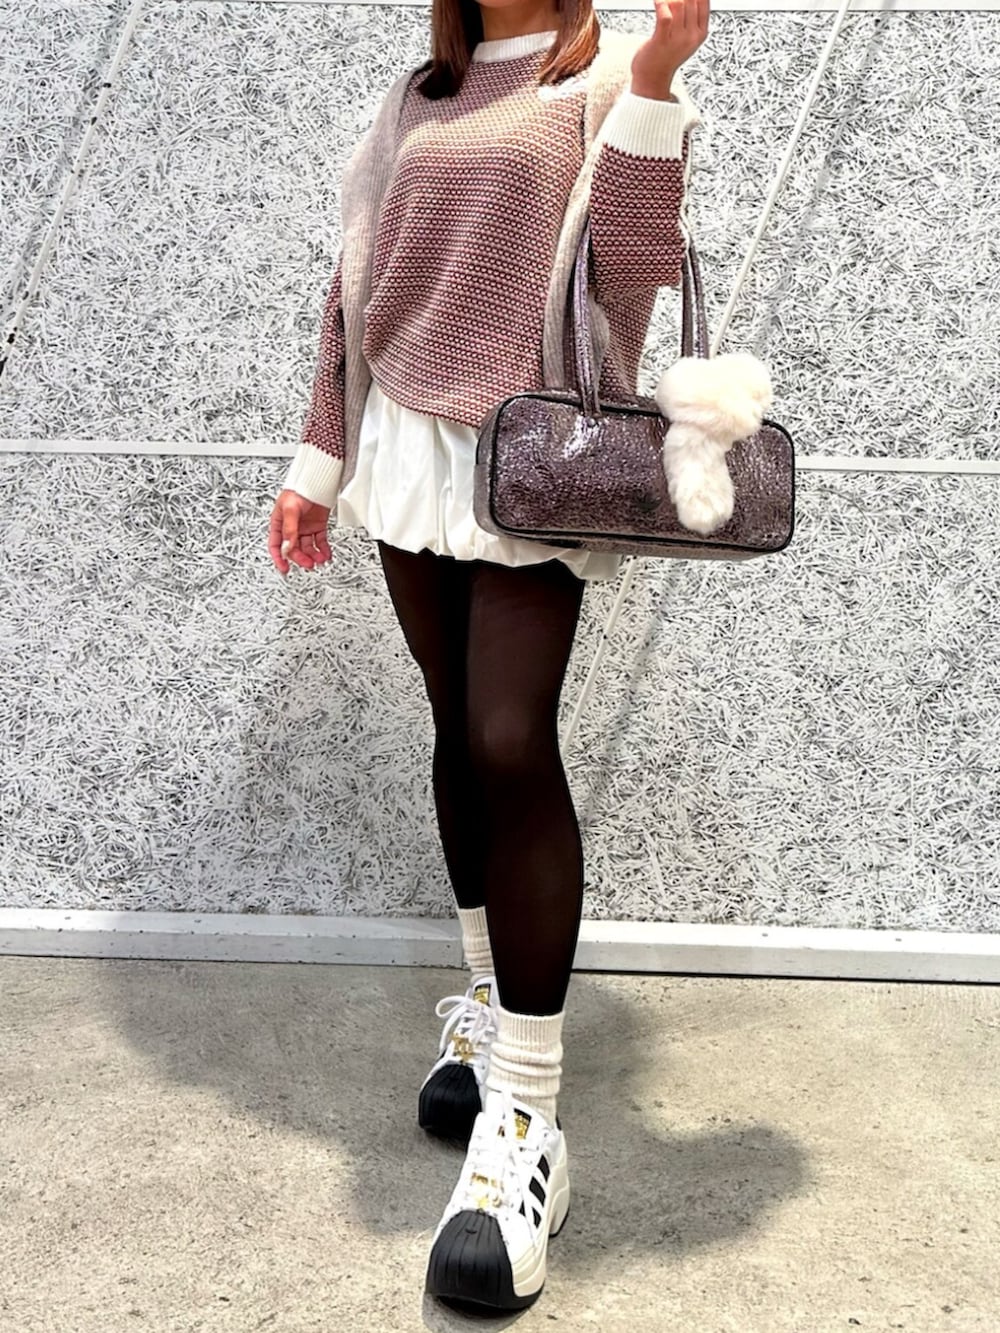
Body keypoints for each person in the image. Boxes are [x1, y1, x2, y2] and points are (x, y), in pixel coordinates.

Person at [267, 0, 708, 1312]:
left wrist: (659, 78)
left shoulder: (608, 67)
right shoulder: (423, 91)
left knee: (512, 738)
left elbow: (634, 272)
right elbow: (354, 285)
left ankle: (527, 1118)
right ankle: (482, 1004)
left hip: (531, 450)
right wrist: (318, 457)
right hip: (403, 444)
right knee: (458, 729)